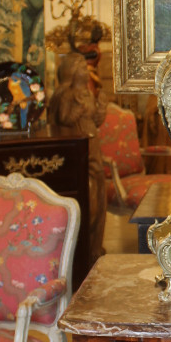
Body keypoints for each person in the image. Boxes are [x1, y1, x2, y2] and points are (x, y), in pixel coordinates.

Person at [47, 52, 108, 264]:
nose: (86, 71)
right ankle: (82, 246)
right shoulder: (66, 95)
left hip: (93, 143)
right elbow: (64, 119)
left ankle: (94, 244)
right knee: (87, 194)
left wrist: (101, 107)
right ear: (72, 72)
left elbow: (95, 120)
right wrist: (79, 109)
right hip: (78, 146)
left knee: (99, 192)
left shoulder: (87, 92)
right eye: (81, 67)